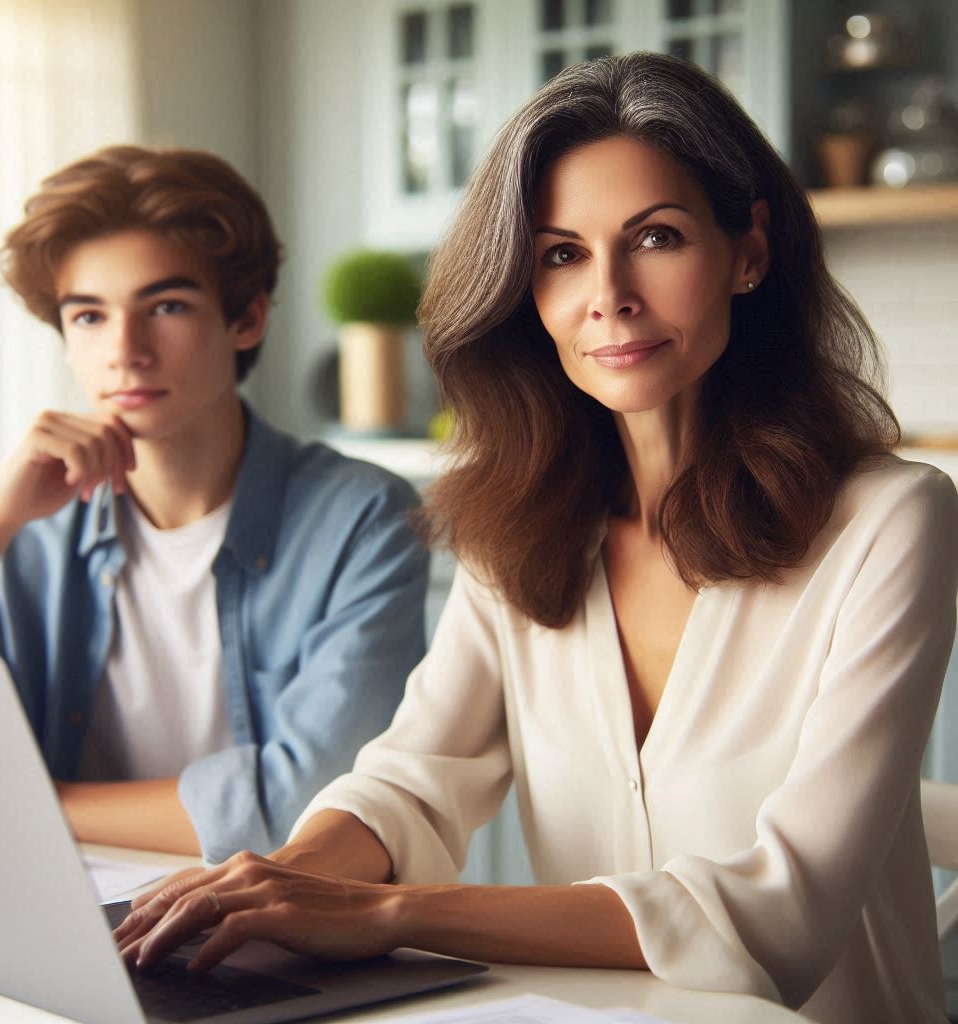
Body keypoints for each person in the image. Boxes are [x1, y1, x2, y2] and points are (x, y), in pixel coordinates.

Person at [112, 54, 958, 1023]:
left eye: (657, 237)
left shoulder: (892, 521)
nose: (609, 296)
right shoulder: (519, 522)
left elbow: (782, 911)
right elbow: (414, 777)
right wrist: (283, 879)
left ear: (749, 250)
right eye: (560, 254)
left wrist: (385, 912)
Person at [0, 145, 429, 864]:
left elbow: (306, 804)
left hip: (280, 931)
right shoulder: (29, 531)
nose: (125, 351)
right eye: (89, 317)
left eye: (165, 306)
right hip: (65, 914)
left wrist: (36, 800)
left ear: (247, 319)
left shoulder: (364, 518)